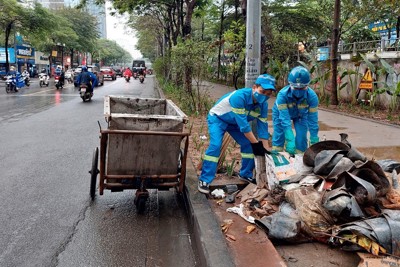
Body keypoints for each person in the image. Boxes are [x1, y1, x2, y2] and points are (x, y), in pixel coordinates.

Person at [198, 74, 276, 194]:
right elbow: (244, 126)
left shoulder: (263, 105)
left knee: (248, 145)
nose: (264, 95)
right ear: (254, 87)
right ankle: (205, 179)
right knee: (215, 145)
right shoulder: (240, 97)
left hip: (234, 123)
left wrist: (265, 149)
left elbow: (263, 127)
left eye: (268, 94)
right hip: (218, 119)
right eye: (263, 91)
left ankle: (245, 174)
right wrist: (256, 144)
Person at [271, 66, 319, 155]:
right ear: (290, 85)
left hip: (301, 115)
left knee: (301, 138)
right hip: (280, 114)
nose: (298, 91)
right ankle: (276, 159)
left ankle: (300, 159)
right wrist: (289, 138)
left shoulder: (312, 97)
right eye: (296, 88)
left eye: (302, 88)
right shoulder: (282, 95)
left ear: (307, 85)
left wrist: (314, 137)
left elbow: (313, 119)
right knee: (279, 135)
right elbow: (284, 119)